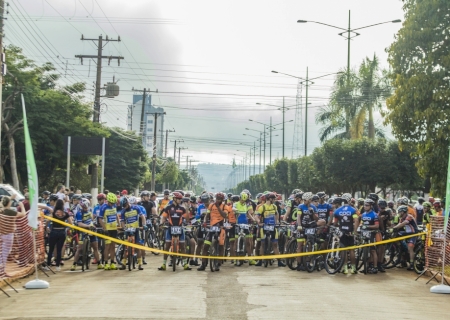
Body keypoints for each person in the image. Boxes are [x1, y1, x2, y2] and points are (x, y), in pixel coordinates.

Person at [158, 192, 191, 271]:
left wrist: (186, 209)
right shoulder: (169, 208)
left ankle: (185, 264)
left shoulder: (182, 208)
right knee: (167, 246)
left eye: (180, 199)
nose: (180, 200)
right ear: (174, 199)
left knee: (183, 246)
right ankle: (163, 264)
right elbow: (164, 217)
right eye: (179, 199)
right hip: (170, 228)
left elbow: (187, 219)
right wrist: (161, 223)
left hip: (180, 228)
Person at [197, 192, 229, 271]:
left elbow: (224, 215)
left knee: (221, 245)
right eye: (217, 199)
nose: (218, 200)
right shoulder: (211, 205)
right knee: (205, 246)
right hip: (212, 227)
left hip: (221, 227)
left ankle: (218, 263)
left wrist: (218, 207)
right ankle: (203, 264)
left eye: (220, 199)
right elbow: (207, 215)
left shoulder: (225, 206)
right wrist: (204, 222)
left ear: (222, 200)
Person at [255, 192, 285, 267]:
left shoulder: (274, 206)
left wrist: (277, 221)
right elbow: (257, 216)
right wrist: (259, 222)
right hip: (264, 227)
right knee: (262, 244)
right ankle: (260, 260)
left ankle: (279, 261)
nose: (275, 200)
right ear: (270, 199)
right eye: (274, 199)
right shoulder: (262, 207)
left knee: (275, 244)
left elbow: (276, 214)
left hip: (273, 227)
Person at [71, 199, 102, 270]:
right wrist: (88, 226)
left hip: (92, 230)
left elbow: (92, 219)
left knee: (95, 247)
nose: (85, 208)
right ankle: (74, 264)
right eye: (83, 207)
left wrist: (94, 224)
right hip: (84, 231)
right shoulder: (79, 213)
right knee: (79, 248)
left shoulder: (90, 210)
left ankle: (99, 263)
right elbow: (79, 224)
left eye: (86, 207)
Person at [0, 196, 27, 276]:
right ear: (9, 203)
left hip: (2, 234)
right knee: (5, 253)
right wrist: (22, 206)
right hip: (8, 235)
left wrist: (10, 198)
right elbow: (23, 214)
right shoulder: (10, 212)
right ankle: (2, 270)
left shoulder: (2, 210)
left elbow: (2, 204)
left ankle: (2, 270)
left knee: (2, 253)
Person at [333, 193, 359, 274]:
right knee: (351, 250)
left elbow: (335, 223)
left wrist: (340, 225)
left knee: (343, 250)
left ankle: (345, 268)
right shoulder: (353, 210)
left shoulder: (337, 210)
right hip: (350, 232)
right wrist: (355, 231)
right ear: (350, 200)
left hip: (342, 232)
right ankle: (354, 268)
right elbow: (356, 221)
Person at [45, 199, 73, 271]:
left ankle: (48, 265)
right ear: (63, 205)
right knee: (59, 249)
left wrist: (46, 227)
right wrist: (66, 227)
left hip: (54, 231)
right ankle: (58, 266)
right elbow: (71, 223)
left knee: (51, 249)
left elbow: (47, 220)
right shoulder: (65, 213)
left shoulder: (53, 213)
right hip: (62, 232)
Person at [120, 196, 146, 270]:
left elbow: (142, 217)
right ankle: (124, 264)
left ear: (128, 202)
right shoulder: (123, 211)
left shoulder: (136, 208)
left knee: (138, 247)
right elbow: (122, 221)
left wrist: (144, 225)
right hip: (128, 230)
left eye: (125, 205)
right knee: (125, 248)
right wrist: (123, 228)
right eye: (123, 206)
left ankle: (140, 264)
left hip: (136, 229)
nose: (125, 207)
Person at [295, 192, 318, 271]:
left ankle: (308, 262)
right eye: (303, 200)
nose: (304, 201)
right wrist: (299, 225)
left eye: (306, 200)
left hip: (310, 227)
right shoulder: (300, 206)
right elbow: (298, 216)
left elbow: (316, 219)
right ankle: (299, 264)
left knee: (310, 244)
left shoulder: (313, 207)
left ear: (310, 200)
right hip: (301, 226)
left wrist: (312, 213)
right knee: (300, 246)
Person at [392, 205, 419, 271]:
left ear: (403, 212)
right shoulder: (402, 218)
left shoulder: (409, 216)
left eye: (400, 212)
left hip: (413, 233)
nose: (399, 213)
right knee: (396, 236)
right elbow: (399, 224)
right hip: (407, 233)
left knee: (410, 248)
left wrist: (395, 228)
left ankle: (412, 264)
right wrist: (393, 228)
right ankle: (401, 249)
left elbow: (404, 223)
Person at [233, 193, 256, 266]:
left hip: (246, 224)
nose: (243, 201)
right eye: (242, 199)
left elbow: (248, 214)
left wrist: (253, 220)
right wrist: (236, 210)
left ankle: (250, 259)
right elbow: (232, 209)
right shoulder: (236, 204)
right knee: (236, 241)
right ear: (239, 198)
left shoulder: (246, 205)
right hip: (238, 224)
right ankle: (234, 259)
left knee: (248, 242)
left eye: (244, 200)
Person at [98, 193, 119, 270]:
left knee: (113, 246)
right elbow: (100, 219)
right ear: (108, 201)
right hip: (107, 229)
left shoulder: (114, 206)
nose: (112, 204)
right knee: (107, 246)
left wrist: (119, 224)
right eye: (111, 203)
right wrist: (104, 228)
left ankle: (112, 262)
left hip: (114, 229)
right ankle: (106, 262)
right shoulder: (103, 207)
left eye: (113, 203)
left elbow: (116, 215)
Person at [360, 198, 381, 274]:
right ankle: (367, 266)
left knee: (373, 251)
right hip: (364, 234)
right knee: (364, 251)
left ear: (371, 206)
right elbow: (361, 223)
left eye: (367, 205)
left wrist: (367, 227)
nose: (365, 207)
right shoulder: (363, 214)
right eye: (364, 205)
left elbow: (377, 226)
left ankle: (375, 267)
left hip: (372, 234)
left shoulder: (374, 214)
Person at [376, 199, 392, 272]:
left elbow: (389, 223)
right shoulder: (375, 212)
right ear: (378, 206)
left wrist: (389, 222)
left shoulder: (386, 213)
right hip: (375, 232)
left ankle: (380, 263)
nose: (382, 209)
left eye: (384, 208)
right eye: (381, 208)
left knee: (382, 249)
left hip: (383, 232)